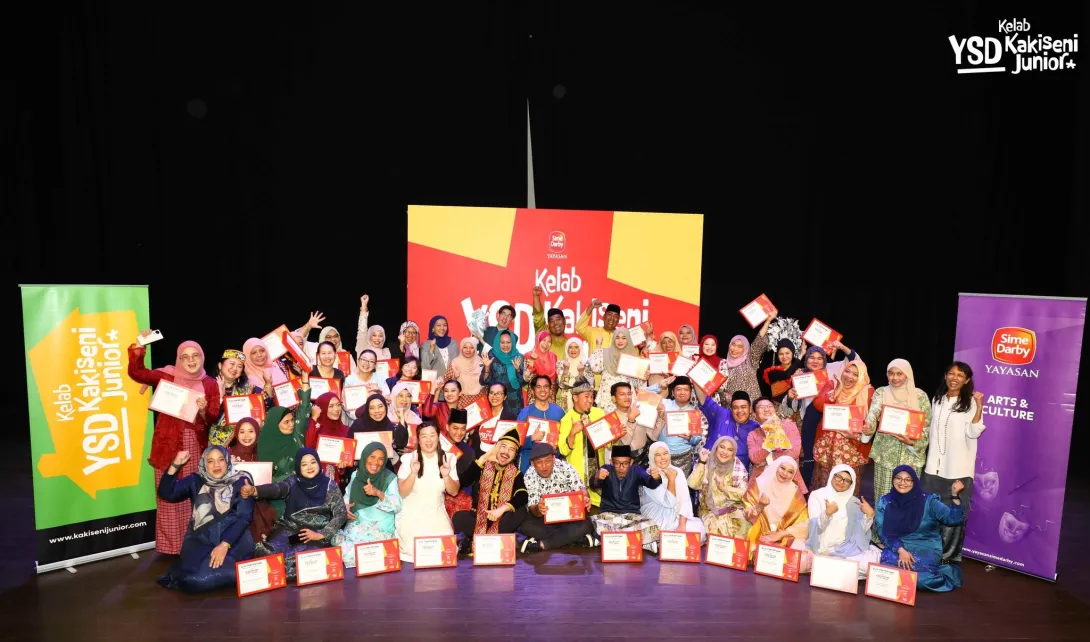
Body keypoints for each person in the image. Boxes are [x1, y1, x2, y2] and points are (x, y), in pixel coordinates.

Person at [128, 335, 221, 555]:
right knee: (168, 493)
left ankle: (194, 543)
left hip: (196, 445)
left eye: (195, 355)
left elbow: (212, 417)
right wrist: (139, 346)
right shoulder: (167, 376)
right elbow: (137, 373)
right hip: (168, 445)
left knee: (196, 494)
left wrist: (203, 410)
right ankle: (171, 547)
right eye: (185, 357)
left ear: (202, 357)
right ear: (179, 359)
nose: (191, 360)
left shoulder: (209, 383)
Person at [156, 446, 255, 592]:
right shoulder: (195, 481)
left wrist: (224, 545)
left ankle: (240, 571)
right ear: (204, 464)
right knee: (196, 576)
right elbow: (166, 493)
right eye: (211, 461)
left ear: (228, 461)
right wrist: (175, 465)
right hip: (200, 540)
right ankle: (184, 573)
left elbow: (244, 517)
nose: (216, 465)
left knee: (207, 577)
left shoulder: (241, 482)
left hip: (234, 541)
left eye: (221, 460)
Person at [242, 447, 347, 579]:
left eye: (313, 462)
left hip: (316, 534)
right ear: (298, 467)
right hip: (294, 532)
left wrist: (321, 534)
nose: (309, 467)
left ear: (318, 463)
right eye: (304, 464)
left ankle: (283, 573)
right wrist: (254, 490)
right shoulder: (293, 481)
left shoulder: (330, 485)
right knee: (269, 553)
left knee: (310, 558)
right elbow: (277, 489)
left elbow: (341, 513)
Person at [922, 362, 986, 563]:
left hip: (958, 468)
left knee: (954, 514)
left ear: (967, 380)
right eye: (951, 373)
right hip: (933, 467)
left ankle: (948, 557)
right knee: (931, 511)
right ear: (945, 376)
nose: (954, 378)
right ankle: (930, 552)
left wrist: (980, 407)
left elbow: (973, 432)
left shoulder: (971, 403)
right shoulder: (937, 399)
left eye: (960, 375)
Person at [781, 341, 860, 487]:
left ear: (824, 360)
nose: (815, 361)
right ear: (806, 359)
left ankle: (828, 489)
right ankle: (807, 492)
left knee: (825, 460)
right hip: (808, 424)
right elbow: (791, 408)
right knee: (809, 458)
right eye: (811, 357)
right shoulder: (800, 375)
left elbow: (856, 361)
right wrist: (790, 397)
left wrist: (842, 347)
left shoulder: (832, 370)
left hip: (830, 424)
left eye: (819, 358)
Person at [875, 466, 966, 591]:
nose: (902, 482)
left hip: (925, 546)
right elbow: (883, 532)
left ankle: (948, 573)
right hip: (897, 545)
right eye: (898, 478)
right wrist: (900, 550)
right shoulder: (885, 502)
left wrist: (955, 495)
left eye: (908, 479)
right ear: (893, 479)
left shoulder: (928, 501)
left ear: (914, 482)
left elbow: (953, 519)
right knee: (887, 575)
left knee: (919, 580)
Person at [451, 428, 529, 555]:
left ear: (515, 455)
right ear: (496, 448)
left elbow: (523, 495)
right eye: (503, 447)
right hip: (479, 518)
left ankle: (476, 538)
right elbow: (464, 482)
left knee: (521, 512)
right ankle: (501, 539)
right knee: (458, 518)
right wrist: (483, 458)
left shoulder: (515, 473)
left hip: (502, 519)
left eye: (511, 449)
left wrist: (501, 510)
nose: (506, 452)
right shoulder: (482, 466)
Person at [865, 358, 932, 499]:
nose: (894, 378)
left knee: (909, 499)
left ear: (907, 374)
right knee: (884, 499)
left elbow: (926, 427)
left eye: (899, 374)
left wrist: (912, 442)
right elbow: (873, 412)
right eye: (891, 373)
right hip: (885, 457)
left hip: (911, 458)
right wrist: (868, 426)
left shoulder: (920, 396)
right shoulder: (881, 392)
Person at [394, 422, 460, 563]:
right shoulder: (409, 459)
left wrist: (446, 476)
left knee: (445, 551)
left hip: (436, 513)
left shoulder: (448, 458)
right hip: (412, 514)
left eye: (432, 435)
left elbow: (454, 492)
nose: (428, 440)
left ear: (438, 437)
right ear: (418, 439)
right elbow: (402, 493)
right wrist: (413, 473)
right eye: (424, 436)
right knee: (413, 552)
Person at [519, 443, 598, 552]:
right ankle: (576, 538)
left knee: (586, 524)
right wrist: (539, 508)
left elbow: (581, 489)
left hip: (569, 517)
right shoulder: (529, 475)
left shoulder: (566, 467)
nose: (544, 466)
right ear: (532, 463)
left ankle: (543, 544)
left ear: (554, 459)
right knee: (526, 527)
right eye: (539, 462)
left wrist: (585, 498)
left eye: (548, 461)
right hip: (545, 519)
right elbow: (533, 509)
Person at [810, 357, 874, 492]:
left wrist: (856, 436)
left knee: (847, 487)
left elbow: (872, 422)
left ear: (862, 376)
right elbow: (818, 405)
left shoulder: (867, 392)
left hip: (852, 448)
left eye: (855, 374)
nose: (849, 376)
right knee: (824, 486)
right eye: (847, 371)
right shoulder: (833, 384)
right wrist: (836, 391)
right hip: (826, 446)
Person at [805, 465, 881, 577]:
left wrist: (869, 516)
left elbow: (860, 531)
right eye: (838, 477)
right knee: (804, 560)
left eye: (847, 481)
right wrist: (827, 514)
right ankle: (835, 565)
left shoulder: (854, 502)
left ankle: (830, 565)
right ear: (832, 475)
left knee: (871, 563)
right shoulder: (817, 495)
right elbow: (816, 528)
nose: (841, 482)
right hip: (822, 546)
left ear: (852, 484)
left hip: (846, 547)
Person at [256, 374, 313, 518]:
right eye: (286, 422)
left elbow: (304, 410)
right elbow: (264, 480)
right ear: (275, 425)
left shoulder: (296, 436)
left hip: (304, 494)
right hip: (278, 500)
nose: (291, 424)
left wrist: (305, 379)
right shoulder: (264, 445)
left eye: (292, 420)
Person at [339, 442, 403, 568]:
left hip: (380, 528)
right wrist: (345, 508)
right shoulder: (356, 475)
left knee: (372, 555)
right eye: (372, 457)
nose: (376, 462)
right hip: (358, 525)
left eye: (381, 459)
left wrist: (377, 493)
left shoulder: (389, 478)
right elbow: (346, 497)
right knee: (345, 552)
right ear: (365, 457)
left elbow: (397, 506)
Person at [590, 444, 664, 553]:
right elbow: (593, 485)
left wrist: (656, 478)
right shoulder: (606, 469)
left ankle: (606, 540)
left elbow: (651, 483)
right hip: (608, 515)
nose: (621, 467)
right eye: (617, 463)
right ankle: (639, 542)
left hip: (632, 516)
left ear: (631, 462)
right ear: (611, 462)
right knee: (592, 523)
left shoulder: (636, 470)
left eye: (625, 463)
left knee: (653, 526)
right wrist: (596, 477)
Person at [743, 456, 811, 570]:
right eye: (782, 468)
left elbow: (805, 522)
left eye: (790, 472)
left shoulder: (795, 492)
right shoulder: (759, 484)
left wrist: (781, 534)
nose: (785, 474)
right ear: (775, 467)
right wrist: (760, 506)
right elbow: (747, 515)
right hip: (759, 532)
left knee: (800, 554)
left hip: (783, 537)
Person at [641, 441, 707, 541]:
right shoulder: (649, 475)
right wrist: (671, 479)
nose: (663, 458)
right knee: (655, 531)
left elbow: (685, 499)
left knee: (699, 529)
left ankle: (667, 541)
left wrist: (682, 525)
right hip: (656, 516)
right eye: (658, 455)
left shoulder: (677, 471)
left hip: (675, 515)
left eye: (665, 453)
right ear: (652, 457)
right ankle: (665, 540)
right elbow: (669, 502)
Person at [557, 376, 606, 507]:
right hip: (577, 476)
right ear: (575, 397)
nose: (590, 400)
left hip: (599, 472)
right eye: (586, 397)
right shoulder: (566, 419)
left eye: (592, 396)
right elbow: (563, 450)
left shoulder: (599, 413)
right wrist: (572, 432)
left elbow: (609, 443)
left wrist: (615, 434)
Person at [688, 436, 751, 538]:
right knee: (715, 534)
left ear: (733, 452)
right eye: (722, 447)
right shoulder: (705, 462)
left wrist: (724, 488)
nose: (725, 452)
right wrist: (702, 462)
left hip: (732, 510)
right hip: (709, 511)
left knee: (743, 529)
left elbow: (743, 494)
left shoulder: (737, 465)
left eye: (730, 450)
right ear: (716, 447)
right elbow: (693, 484)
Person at [208, 349, 272, 447]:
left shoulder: (248, 388)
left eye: (239, 366)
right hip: (216, 443)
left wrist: (268, 383)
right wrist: (220, 397)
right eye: (232, 364)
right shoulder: (208, 386)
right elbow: (207, 418)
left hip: (244, 441)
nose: (235, 368)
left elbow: (266, 402)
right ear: (220, 366)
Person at [710, 316, 774, 404]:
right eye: (733, 344)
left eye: (740, 346)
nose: (735, 349)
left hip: (752, 407)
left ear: (745, 349)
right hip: (732, 408)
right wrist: (726, 397)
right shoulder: (722, 364)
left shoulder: (750, 360)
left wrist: (768, 321)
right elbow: (717, 389)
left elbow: (758, 343)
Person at [747, 397, 806, 492]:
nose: (766, 409)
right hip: (762, 484)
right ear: (754, 415)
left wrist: (768, 460)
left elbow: (794, 452)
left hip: (788, 482)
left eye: (769, 406)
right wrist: (770, 444)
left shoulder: (788, 425)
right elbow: (755, 458)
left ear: (775, 410)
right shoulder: (753, 435)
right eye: (761, 407)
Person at [649, 376, 704, 475]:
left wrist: (690, 438)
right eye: (678, 389)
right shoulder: (664, 404)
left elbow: (697, 439)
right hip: (662, 456)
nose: (682, 392)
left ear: (690, 393)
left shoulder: (694, 412)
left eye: (686, 390)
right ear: (673, 393)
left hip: (683, 457)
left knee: (680, 484)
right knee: (662, 484)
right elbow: (642, 395)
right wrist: (659, 386)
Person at [693, 388, 760, 466]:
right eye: (735, 407)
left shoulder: (756, 428)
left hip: (737, 471)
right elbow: (703, 399)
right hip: (706, 466)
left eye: (743, 407)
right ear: (731, 409)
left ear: (750, 409)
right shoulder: (722, 415)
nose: (739, 411)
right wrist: (695, 380)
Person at [516, 375, 566, 473]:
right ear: (533, 390)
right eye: (538, 387)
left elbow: (564, 439)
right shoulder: (525, 413)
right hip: (529, 466)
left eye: (546, 386)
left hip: (554, 465)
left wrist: (557, 449)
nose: (542, 390)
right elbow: (516, 442)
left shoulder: (559, 412)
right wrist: (531, 438)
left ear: (550, 390)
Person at [588, 328, 645, 413]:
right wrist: (598, 347)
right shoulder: (605, 353)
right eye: (617, 338)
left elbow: (637, 384)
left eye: (624, 338)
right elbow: (595, 368)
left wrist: (643, 377)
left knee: (625, 421)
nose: (620, 341)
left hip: (625, 400)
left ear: (628, 340)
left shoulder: (632, 357)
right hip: (607, 398)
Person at [304, 392, 351, 485]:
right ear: (322, 408)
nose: (336, 409)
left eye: (338, 405)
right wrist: (314, 418)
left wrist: (342, 468)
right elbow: (307, 446)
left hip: (334, 484)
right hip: (313, 481)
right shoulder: (314, 428)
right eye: (331, 406)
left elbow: (346, 460)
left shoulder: (346, 430)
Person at [442, 408, 478, 518]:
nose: (459, 433)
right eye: (455, 428)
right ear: (447, 427)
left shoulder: (468, 451)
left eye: (463, 429)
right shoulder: (437, 444)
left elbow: (465, 481)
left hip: (457, 493)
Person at [480, 329, 525, 417]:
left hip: (514, 402)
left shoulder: (519, 357)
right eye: (502, 342)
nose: (505, 345)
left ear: (513, 343)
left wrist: (518, 370)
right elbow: (483, 381)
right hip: (496, 399)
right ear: (498, 343)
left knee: (513, 425)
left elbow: (523, 382)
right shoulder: (491, 357)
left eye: (508, 342)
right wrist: (487, 367)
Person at [610, 382, 650, 469]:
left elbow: (654, 436)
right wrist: (631, 420)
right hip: (624, 464)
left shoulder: (639, 411)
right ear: (614, 398)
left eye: (629, 394)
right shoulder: (611, 419)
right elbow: (624, 445)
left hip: (645, 458)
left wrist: (661, 418)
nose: (627, 397)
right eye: (622, 394)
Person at [343, 349, 390, 421]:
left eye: (371, 361)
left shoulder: (380, 379)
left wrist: (379, 394)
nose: (367, 363)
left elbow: (388, 402)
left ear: (375, 365)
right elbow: (347, 407)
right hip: (357, 420)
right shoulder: (349, 381)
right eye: (364, 359)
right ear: (358, 361)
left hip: (379, 419)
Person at [532, 286, 570, 359]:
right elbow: (538, 316)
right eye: (551, 321)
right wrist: (536, 296)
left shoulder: (571, 344)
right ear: (548, 325)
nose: (555, 323)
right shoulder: (544, 335)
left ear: (564, 321)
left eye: (558, 319)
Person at [763, 339, 804, 406]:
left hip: (798, 408)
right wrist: (801, 354)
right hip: (779, 408)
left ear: (792, 354)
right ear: (778, 356)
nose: (784, 357)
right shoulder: (772, 372)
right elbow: (787, 374)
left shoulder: (800, 370)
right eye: (781, 354)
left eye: (787, 353)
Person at [448, 336, 485, 408]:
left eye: (471, 347)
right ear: (461, 348)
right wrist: (454, 377)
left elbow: (486, 381)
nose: (468, 350)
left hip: (479, 399)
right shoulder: (455, 363)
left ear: (475, 349)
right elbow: (446, 382)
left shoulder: (482, 362)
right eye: (465, 347)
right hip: (461, 400)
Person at [523, 331, 560, 400]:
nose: (546, 344)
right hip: (535, 396)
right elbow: (526, 378)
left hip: (550, 395)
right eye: (544, 340)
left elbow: (557, 380)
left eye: (549, 342)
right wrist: (532, 360)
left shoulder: (553, 357)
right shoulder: (528, 355)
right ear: (538, 341)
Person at [355, 294, 392, 360]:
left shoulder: (386, 352)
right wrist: (364, 307)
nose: (377, 338)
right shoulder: (363, 347)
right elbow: (362, 330)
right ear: (369, 336)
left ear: (384, 338)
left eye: (380, 336)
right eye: (374, 335)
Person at [555, 337, 586, 413]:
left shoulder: (586, 364)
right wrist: (566, 370)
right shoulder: (561, 364)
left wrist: (581, 373)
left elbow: (586, 387)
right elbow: (562, 385)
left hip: (580, 399)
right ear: (567, 349)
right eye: (570, 347)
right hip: (565, 399)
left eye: (576, 347)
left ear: (580, 349)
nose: (573, 350)